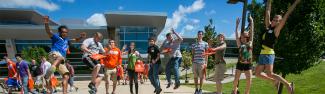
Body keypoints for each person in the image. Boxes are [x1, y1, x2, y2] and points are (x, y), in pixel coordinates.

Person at [255, 0, 301, 94]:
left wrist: (295, 3)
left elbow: (286, 15)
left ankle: (288, 84)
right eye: (273, 19)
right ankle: (273, 81)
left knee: (270, 73)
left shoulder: (276, 30)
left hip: (269, 54)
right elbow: (267, 12)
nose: (274, 21)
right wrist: (269, 2)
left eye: (276, 20)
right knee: (257, 74)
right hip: (262, 53)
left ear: (279, 23)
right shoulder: (268, 27)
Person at [43, 16, 84, 94]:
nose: (65, 33)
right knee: (60, 57)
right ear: (60, 32)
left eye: (66, 32)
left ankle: (64, 92)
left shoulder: (66, 40)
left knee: (66, 76)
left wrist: (81, 37)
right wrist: (46, 22)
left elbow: (75, 40)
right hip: (54, 54)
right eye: (63, 32)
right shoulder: (56, 37)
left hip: (61, 60)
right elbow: (48, 31)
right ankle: (50, 71)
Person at [232, 16, 254, 94]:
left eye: (245, 36)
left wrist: (252, 22)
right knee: (235, 80)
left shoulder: (250, 43)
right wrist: (237, 25)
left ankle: (246, 93)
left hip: (248, 65)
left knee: (249, 80)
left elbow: (252, 32)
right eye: (242, 36)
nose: (243, 37)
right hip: (240, 64)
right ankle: (234, 91)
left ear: (247, 37)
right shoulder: (239, 44)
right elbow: (236, 35)